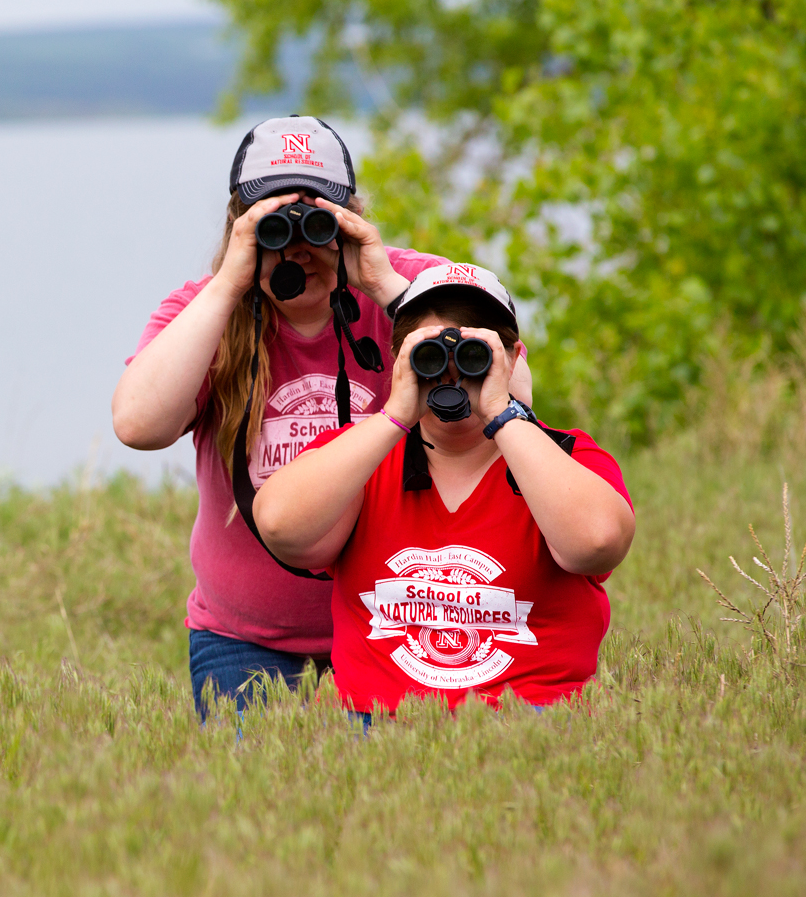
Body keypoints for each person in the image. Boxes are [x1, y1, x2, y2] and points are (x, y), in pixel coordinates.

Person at [112, 116, 529, 717]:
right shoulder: (204, 312)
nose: (297, 244)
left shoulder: (414, 287)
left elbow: (516, 396)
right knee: (261, 804)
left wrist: (388, 288)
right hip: (246, 639)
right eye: (275, 223)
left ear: (350, 216)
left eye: (318, 220)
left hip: (404, 627)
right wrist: (231, 282)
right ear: (240, 225)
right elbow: (138, 425)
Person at [253, 262, 635, 717]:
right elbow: (281, 528)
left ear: (515, 360)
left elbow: (596, 543)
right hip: (372, 725)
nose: (452, 375)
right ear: (400, 365)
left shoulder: (564, 456)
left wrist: (502, 412)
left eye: (476, 356)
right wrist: (396, 414)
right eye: (429, 358)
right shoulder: (363, 458)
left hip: (529, 725)